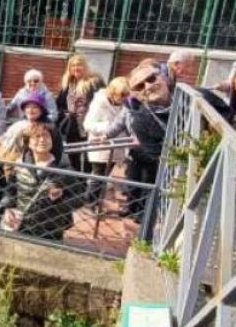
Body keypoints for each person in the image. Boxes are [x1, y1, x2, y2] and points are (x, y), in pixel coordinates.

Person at [94, 64, 172, 222]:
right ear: (134, 92)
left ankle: (142, 214)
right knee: (133, 182)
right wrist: (106, 135)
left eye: (151, 79)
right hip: (136, 151)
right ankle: (132, 207)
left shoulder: (171, 101)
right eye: (140, 86)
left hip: (156, 155)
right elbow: (119, 123)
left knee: (148, 183)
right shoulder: (131, 107)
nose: (148, 86)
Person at [1, 122, 80, 241]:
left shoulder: (65, 169)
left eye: (46, 136)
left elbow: (79, 198)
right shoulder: (19, 166)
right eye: (37, 136)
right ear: (28, 142)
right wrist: (7, 207)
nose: (42, 140)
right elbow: (10, 190)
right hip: (23, 224)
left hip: (51, 228)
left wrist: (60, 200)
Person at [83, 77, 130, 209]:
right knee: (98, 175)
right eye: (121, 95)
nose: (124, 98)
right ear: (112, 92)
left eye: (126, 95)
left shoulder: (125, 105)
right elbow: (88, 124)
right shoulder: (99, 102)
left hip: (115, 147)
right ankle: (89, 203)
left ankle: (96, 200)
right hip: (100, 146)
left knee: (105, 175)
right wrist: (109, 127)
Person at [56, 54, 104, 173]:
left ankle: (87, 179)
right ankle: (78, 182)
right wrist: (64, 113)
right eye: (73, 66)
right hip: (72, 125)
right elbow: (60, 103)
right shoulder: (68, 83)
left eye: (79, 65)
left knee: (88, 156)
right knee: (73, 154)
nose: (76, 68)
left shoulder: (94, 82)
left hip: (88, 124)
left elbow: (102, 102)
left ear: (85, 67)